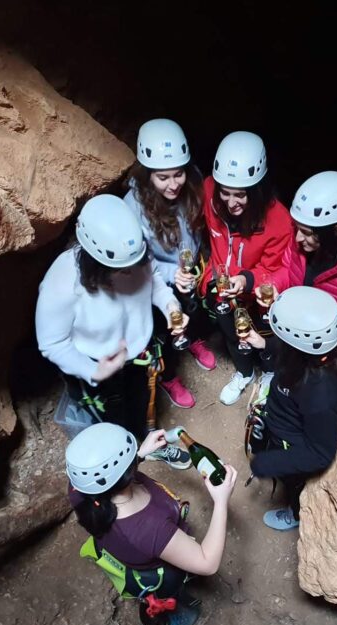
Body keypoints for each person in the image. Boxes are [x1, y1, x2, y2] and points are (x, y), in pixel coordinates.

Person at [35, 194, 189, 464]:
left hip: (139, 352)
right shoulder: (62, 282)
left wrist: (171, 307)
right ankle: (127, 465)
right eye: (122, 269)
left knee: (142, 404)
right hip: (98, 367)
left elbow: (153, 281)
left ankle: (149, 443)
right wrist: (93, 371)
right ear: (95, 262)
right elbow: (52, 343)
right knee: (113, 420)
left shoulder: (136, 252)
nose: (133, 271)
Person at [67, 423, 239, 625]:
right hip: (157, 574)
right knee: (163, 597)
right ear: (127, 474)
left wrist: (139, 455)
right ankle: (157, 624)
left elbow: (107, 481)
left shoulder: (79, 488)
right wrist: (221, 501)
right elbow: (207, 563)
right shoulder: (147, 528)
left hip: (130, 548)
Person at [176, 131, 291, 405]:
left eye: (240, 195)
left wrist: (248, 280)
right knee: (231, 333)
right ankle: (244, 373)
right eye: (225, 193)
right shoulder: (209, 192)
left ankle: (269, 375)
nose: (230, 202)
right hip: (224, 291)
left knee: (264, 337)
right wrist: (203, 277)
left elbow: (281, 269)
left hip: (259, 295)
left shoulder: (278, 220)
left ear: (257, 190)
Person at [123, 120, 217, 410]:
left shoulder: (192, 182)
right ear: (147, 173)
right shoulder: (133, 205)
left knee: (193, 308)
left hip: (188, 268)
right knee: (161, 333)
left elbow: (199, 226)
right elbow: (136, 259)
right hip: (156, 279)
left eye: (178, 174)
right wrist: (169, 274)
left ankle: (193, 339)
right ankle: (168, 376)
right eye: (163, 177)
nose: (173, 184)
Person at [241, 287, 337, 530]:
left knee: (294, 486)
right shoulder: (315, 353)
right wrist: (264, 345)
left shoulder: (320, 394)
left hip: (292, 444)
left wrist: (269, 463)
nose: (279, 343)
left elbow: (320, 453)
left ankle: (295, 513)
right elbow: (286, 350)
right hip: (282, 421)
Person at [260, 171, 337, 351]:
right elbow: (288, 269)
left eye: (308, 233)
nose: (297, 238)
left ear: (335, 230)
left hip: (329, 347)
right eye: (297, 228)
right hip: (297, 330)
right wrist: (274, 285)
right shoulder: (303, 242)